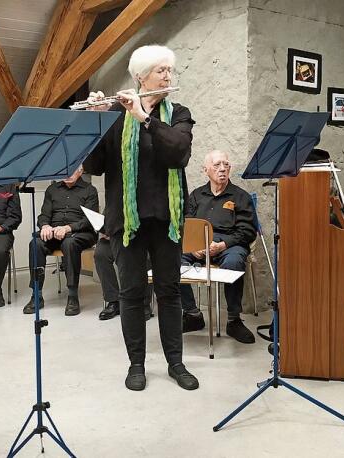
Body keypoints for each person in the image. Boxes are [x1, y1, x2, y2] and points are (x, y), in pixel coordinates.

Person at [83, 44, 198, 391]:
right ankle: (136, 364)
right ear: (140, 77)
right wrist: (98, 119)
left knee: (169, 292)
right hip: (126, 222)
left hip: (166, 219)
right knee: (131, 295)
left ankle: (176, 363)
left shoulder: (178, 112)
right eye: (160, 70)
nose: (168, 75)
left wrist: (145, 119)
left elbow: (178, 152)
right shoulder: (115, 117)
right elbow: (93, 166)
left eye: (169, 70)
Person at [180, 150, 256, 344]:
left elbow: (247, 231)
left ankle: (233, 320)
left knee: (234, 262)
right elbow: (186, 223)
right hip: (199, 244)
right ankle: (192, 314)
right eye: (217, 165)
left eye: (226, 165)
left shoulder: (241, 196)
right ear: (206, 170)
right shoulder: (196, 195)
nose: (222, 169)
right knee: (173, 260)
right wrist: (193, 245)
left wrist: (223, 245)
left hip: (230, 244)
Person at [23, 165, 98, 316]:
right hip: (54, 231)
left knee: (69, 243)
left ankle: (72, 295)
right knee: (35, 243)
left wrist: (68, 228)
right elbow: (44, 215)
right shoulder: (52, 190)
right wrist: (44, 226)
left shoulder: (90, 190)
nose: (68, 174)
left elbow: (89, 220)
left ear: (81, 171)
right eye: (64, 170)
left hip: (80, 232)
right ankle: (36, 294)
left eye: (72, 170)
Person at [94, 230, 153, 321]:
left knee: (146, 255)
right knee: (101, 253)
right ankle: (113, 300)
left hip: (138, 237)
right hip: (114, 238)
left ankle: (144, 303)